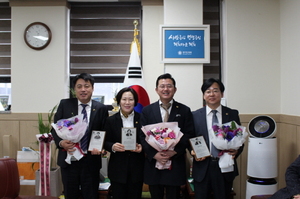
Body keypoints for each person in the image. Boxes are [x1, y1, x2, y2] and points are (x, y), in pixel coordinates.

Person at [51, 73, 108, 199]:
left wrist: (102, 148)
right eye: (79, 86)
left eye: (87, 86)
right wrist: (61, 143)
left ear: (92, 88)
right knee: (70, 194)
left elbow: (105, 131)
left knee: (91, 194)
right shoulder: (65, 104)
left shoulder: (101, 108)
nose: (83, 90)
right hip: (69, 158)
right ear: (74, 89)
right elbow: (55, 128)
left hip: (91, 161)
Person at [140, 73, 195, 199]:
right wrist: (154, 154)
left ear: (175, 89)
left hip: (175, 164)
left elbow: (189, 134)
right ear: (156, 90)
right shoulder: (147, 111)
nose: (166, 89)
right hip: (154, 164)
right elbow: (142, 136)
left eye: (169, 86)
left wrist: (174, 152)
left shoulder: (184, 110)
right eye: (162, 86)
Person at [191, 78, 243, 199]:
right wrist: (192, 151)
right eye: (208, 91)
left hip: (224, 165)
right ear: (204, 95)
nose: (212, 94)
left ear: (222, 94)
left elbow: (239, 138)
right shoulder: (195, 115)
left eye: (215, 90)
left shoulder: (232, 114)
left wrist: (237, 151)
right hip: (203, 166)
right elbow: (190, 138)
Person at [104, 87, 144, 199]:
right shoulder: (110, 120)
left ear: (135, 101)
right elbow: (105, 141)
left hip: (137, 169)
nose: (127, 102)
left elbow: (149, 140)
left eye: (130, 99)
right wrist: (112, 146)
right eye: (124, 99)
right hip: (117, 169)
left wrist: (141, 147)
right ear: (119, 101)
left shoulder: (142, 119)